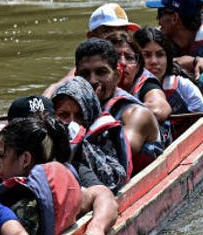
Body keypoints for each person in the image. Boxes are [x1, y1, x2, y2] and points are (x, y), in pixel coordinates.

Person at [0, 117, 118, 235]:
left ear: (25, 159)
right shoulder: (66, 191)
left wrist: (97, 226)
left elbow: (104, 195)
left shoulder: (30, 203)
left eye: (2, 156)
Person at [73, 37, 161, 172]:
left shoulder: (136, 115)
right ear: (76, 76)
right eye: (85, 74)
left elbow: (116, 159)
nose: (92, 80)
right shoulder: (73, 109)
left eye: (101, 72)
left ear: (117, 75)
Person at [51, 76, 130, 192]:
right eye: (63, 114)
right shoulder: (50, 130)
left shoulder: (103, 133)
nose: (71, 122)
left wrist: (80, 144)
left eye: (79, 116)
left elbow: (115, 178)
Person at [44, 3, 141, 97]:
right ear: (91, 37)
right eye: (108, 31)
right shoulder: (86, 67)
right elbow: (59, 85)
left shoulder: (139, 60)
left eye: (123, 30)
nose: (116, 36)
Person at [133, 27, 203, 118]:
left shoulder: (183, 86)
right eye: (147, 55)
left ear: (168, 58)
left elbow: (201, 119)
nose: (154, 61)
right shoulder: (129, 90)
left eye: (160, 55)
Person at [102, 31, 172, 127]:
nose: (123, 63)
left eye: (129, 58)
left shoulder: (147, 84)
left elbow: (158, 111)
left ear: (138, 66)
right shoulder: (94, 79)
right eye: (116, 57)